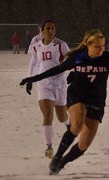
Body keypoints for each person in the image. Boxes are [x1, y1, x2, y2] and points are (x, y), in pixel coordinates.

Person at [20, 28, 109, 175]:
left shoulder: (107, 58)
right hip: (77, 95)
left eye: (103, 46)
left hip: (97, 99)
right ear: (88, 45)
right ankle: (58, 155)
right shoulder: (78, 58)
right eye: (97, 46)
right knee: (77, 123)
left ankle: (61, 163)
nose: (101, 49)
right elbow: (56, 70)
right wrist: (32, 78)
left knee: (84, 144)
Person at [25, 18, 71, 159]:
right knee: (47, 114)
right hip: (44, 84)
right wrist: (30, 79)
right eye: (48, 28)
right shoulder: (36, 46)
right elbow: (33, 63)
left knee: (61, 116)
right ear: (41, 31)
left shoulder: (61, 45)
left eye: (53, 28)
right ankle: (49, 147)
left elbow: (71, 62)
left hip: (60, 85)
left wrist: (74, 76)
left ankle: (69, 125)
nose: (50, 31)